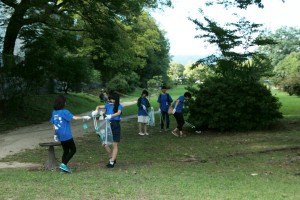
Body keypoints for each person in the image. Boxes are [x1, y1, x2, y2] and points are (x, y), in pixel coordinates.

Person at [50, 95, 91, 173]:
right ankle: (63, 164)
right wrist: (84, 117)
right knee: (73, 149)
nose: (66, 103)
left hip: (59, 134)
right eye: (65, 101)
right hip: (66, 134)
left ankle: (63, 170)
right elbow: (74, 118)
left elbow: (53, 125)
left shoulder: (54, 112)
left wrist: (55, 134)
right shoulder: (64, 111)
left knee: (65, 150)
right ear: (62, 103)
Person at [96, 93, 122, 168]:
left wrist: (110, 115)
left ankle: (112, 162)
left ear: (115, 99)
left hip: (115, 125)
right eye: (110, 99)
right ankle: (112, 157)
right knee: (104, 144)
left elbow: (118, 113)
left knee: (114, 144)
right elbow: (98, 106)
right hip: (107, 125)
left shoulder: (119, 106)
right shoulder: (108, 105)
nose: (110, 100)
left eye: (112, 99)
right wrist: (96, 111)